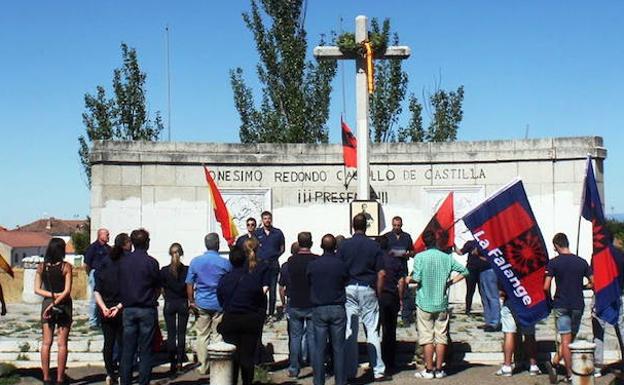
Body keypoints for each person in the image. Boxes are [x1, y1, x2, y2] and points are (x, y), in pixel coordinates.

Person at [411, 230, 468, 379]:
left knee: (426, 337)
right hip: (441, 302)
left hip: (424, 301)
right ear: (436, 240)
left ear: (424, 242)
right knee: (441, 336)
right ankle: (439, 368)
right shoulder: (446, 258)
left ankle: (428, 369)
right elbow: (465, 271)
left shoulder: (420, 257)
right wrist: (450, 282)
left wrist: (406, 280)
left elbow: (416, 278)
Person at [338, 213, 388, 381]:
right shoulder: (373, 246)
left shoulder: (344, 245)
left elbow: (339, 269)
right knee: (372, 330)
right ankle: (378, 370)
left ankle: (349, 371)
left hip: (349, 287)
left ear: (353, 226)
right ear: (366, 226)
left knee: (350, 331)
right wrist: (378, 292)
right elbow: (381, 273)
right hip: (367, 287)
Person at [544, 232, 593, 383]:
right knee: (571, 337)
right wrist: (583, 286)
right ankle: (556, 361)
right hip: (578, 303)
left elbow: (546, 286)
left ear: (557, 246)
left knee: (565, 339)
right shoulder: (582, 262)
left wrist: (549, 300)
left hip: (561, 303)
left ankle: (570, 374)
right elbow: (593, 282)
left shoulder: (553, 263)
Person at [217, 247, 266, 385]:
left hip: (231, 319)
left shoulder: (225, 279)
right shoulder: (253, 279)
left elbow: (220, 299)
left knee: (232, 358)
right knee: (247, 358)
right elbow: (259, 300)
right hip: (249, 320)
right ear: (245, 260)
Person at [118, 229, 161, 385]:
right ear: (147, 242)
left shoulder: (123, 262)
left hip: (128, 309)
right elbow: (157, 287)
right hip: (146, 308)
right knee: (146, 350)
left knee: (128, 349)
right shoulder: (152, 262)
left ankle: (125, 381)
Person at [185, 233, 232, 375]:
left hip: (202, 302)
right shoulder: (225, 263)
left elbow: (189, 283)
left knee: (202, 335)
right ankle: (218, 364)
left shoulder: (195, 261)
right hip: (219, 302)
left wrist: (191, 300)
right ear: (218, 244)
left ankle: (203, 365)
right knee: (218, 334)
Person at [307, 234, 348, 385]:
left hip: (319, 307)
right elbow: (346, 280)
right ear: (335, 246)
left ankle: (319, 381)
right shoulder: (341, 264)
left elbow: (309, 281)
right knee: (339, 348)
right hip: (337, 306)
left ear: (321, 246)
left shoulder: (313, 264)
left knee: (319, 348)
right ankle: (340, 381)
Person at [35, 238, 73, 385]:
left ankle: (45, 377)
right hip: (64, 305)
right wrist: (57, 298)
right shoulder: (66, 267)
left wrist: (51, 299)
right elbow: (67, 290)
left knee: (46, 342)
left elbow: (37, 289)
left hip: (47, 303)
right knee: (62, 343)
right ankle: (60, 379)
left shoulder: (41, 267)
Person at [95, 233, 130, 385]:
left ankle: (110, 373)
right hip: (121, 307)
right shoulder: (127, 263)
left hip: (105, 307)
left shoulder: (104, 263)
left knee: (108, 343)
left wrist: (103, 307)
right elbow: (129, 289)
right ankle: (122, 373)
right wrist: (119, 306)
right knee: (122, 343)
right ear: (124, 245)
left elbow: (97, 290)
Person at [281, 232, 317, 378]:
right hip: (311, 301)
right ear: (311, 243)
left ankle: (294, 368)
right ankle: (315, 367)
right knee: (312, 337)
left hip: (295, 301)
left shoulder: (291, 261)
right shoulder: (315, 259)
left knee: (295, 337)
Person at [377, 236, 406, 373]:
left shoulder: (375, 260)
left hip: (379, 296)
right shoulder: (395, 260)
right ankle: (390, 360)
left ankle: (377, 359)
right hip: (391, 296)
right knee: (390, 330)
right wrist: (401, 297)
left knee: (375, 330)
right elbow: (401, 281)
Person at [494, 289, 540, 376]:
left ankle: (507, 366)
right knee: (529, 334)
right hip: (528, 301)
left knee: (509, 333)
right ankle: (533, 365)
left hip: (511, 302)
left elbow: (501, 292)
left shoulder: (506, 274)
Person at [161, 243, 190, 374]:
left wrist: (166, 296)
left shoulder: (164, 270)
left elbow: (162, 288)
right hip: (183, 302)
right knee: (181, 333)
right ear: (181, 253)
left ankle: (172, 361)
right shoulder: (186, 270)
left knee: (171, 334)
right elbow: (189, 286)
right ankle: (179, 361)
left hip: (170, 302)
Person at [383, 216, 415, 325]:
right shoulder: (387, 236)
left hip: (402, 267)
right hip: (390, 269)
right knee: (389, 293)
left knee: (405, 292)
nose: (396, 227)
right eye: (395, 225)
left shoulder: (406, 237)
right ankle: (390, 317)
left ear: (401, 225)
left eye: (398, 225)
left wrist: (408, 254)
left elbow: (412, 251)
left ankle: (406, 318)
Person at [254, 211, 285, 318]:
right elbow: (253, 247)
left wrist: (275, 256)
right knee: (260, 290)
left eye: (269, 218)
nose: (267, 220)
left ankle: (271, 313)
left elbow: (282, 248)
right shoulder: (257, 233)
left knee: (272, 290)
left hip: (273, 265)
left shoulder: (278, 233)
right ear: (262, 220)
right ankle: (260, 312)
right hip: (261, 265)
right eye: (265, 218)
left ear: (271, 219)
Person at [85, 228, 111, 328]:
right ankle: (93, 321)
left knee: (102, 298)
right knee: (94, 298)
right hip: (95, 272)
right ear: (100, 235)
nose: (108, 237)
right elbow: (87, 264)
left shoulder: (108, 248)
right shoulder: (93, 248)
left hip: (105, 274)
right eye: (107, 235)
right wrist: (90, 274)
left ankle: (100, 319)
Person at [460, 241, 489, 315]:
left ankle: (487, 310)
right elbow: (461, 252)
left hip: (482, 270)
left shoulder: (486, 243)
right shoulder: (470, 243)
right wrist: (453, 245)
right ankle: (468, 310)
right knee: (470, 291)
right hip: (471, 270)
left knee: (483, 292)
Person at [477, 245, 501, 332]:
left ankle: (495, 322)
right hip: (481, 270)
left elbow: (491, 258)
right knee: (485, 298)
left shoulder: (489, 242)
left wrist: (478, 255)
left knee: (492, 297)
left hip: (489, 270)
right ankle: (488, 321)